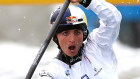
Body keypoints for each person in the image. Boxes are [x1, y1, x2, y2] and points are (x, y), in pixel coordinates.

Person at [38, 0, 122, 79]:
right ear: (56, 37)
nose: (72, 39)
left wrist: (87, 0)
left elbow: (113, 19)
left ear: (84, 34)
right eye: (65, 33)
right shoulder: (52, 71)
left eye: (77, 32)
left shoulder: (98, 46)